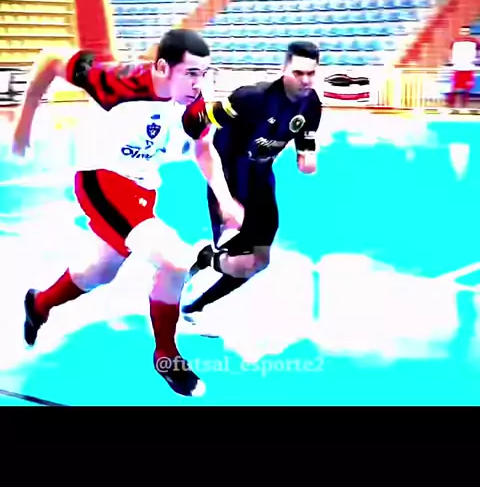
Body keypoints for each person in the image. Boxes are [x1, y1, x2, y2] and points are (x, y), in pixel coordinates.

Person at [11, 29, 244, 397]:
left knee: (97, 272)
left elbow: (203, 148)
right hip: (101, 180)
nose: (198, 83)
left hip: (142, 188)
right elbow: (51, 58)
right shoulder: (117, 81)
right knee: (175, 261)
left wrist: (225, 199)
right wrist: (25, 120)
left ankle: (39, 304)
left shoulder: (193, 101)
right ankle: (166, 354)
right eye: (190, 73)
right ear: (163, 67)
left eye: (203, 73)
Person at [180, 40, 322, 318]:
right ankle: (202, 270)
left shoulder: (312, 105)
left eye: (311, 73)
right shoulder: (251, 98)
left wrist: (307, 158)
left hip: (261, 179)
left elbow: (305, 144)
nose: (305, 80)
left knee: (260, 261)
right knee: (240, 260)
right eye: (298, 73)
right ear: (284, 70)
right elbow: (200, 122)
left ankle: (195, 304)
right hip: (230, 178)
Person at [448, 25, 480, 111]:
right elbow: (451, 52)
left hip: (469, 68)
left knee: (467, 88)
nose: (465, 33)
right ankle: (451, 106)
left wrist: (476, 61)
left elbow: (478, 52)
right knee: (454, 88)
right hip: (457, 68)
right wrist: (451, 61)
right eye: (463, 31)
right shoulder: (455, 41)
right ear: (460, 32)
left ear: (469, 32)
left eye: (466, 31)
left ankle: (464, 107)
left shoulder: (474, 41)